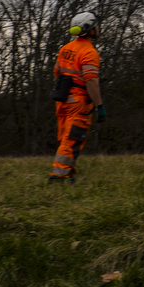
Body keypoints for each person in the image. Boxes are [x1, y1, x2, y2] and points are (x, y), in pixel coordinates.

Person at [48, 11, 107, 183]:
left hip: (62, 100)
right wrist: (99, 106)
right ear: (89, 29)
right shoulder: (89, 52)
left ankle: (69, 176)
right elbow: (91, 82)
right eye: (96, 25)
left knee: (65, 138)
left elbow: (56, 73)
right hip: (78, 102)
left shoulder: (65, 49)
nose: (98, 27)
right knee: (72, 139)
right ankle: (57, 177)